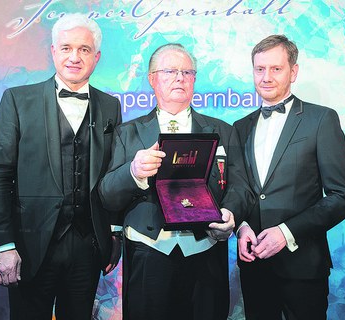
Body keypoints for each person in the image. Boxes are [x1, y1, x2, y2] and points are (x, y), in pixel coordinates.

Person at [0, 13, 122, 320]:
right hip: (29, 247)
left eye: (84, 49)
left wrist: (115, 232)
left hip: (88, 248)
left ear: (96, 57)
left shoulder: (111, 106)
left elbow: (113, 175)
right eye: (66, 48)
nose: (75, 57)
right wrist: (3, 244)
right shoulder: (17, 100)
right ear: (53, 52)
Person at [98, 43, 248, 320]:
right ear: (152, 79)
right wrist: (134, 172)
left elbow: (240, 187)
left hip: (207, 249)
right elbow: (107, 195)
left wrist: (231, 214)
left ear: (194, 80)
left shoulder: (223, 131)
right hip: (148, 251)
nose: (180, 77)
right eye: (170, 71)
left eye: (187, 72)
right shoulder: (126, 133)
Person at [233, 34, 345, 320]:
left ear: (294, 71)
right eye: (259, 69)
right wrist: (240, 228)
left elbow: (344, 196)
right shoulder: (239, 127)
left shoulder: (321, 120)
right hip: (254, 266)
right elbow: (238, 190)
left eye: (276, 68)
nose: (266, 77)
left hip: (303, 266)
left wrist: (285, 232)